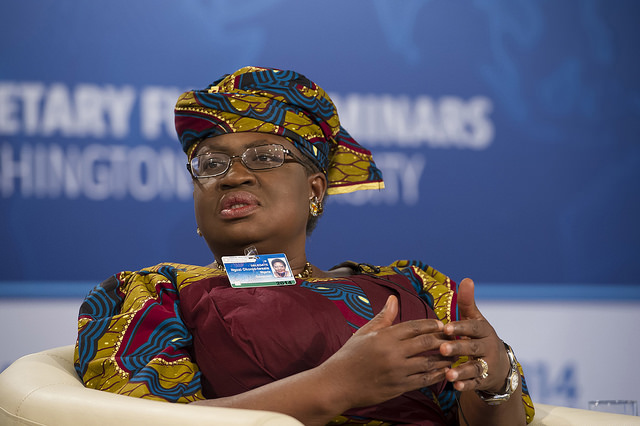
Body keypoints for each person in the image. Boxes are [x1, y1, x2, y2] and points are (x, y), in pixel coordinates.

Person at [75, 66, 535, 426]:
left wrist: (494, 382)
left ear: (315, 190)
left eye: (265, 157)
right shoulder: (155, 295)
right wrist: (336, 385)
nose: (233, 175)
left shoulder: (418, 289)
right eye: (210, 163)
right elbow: (143, 422)